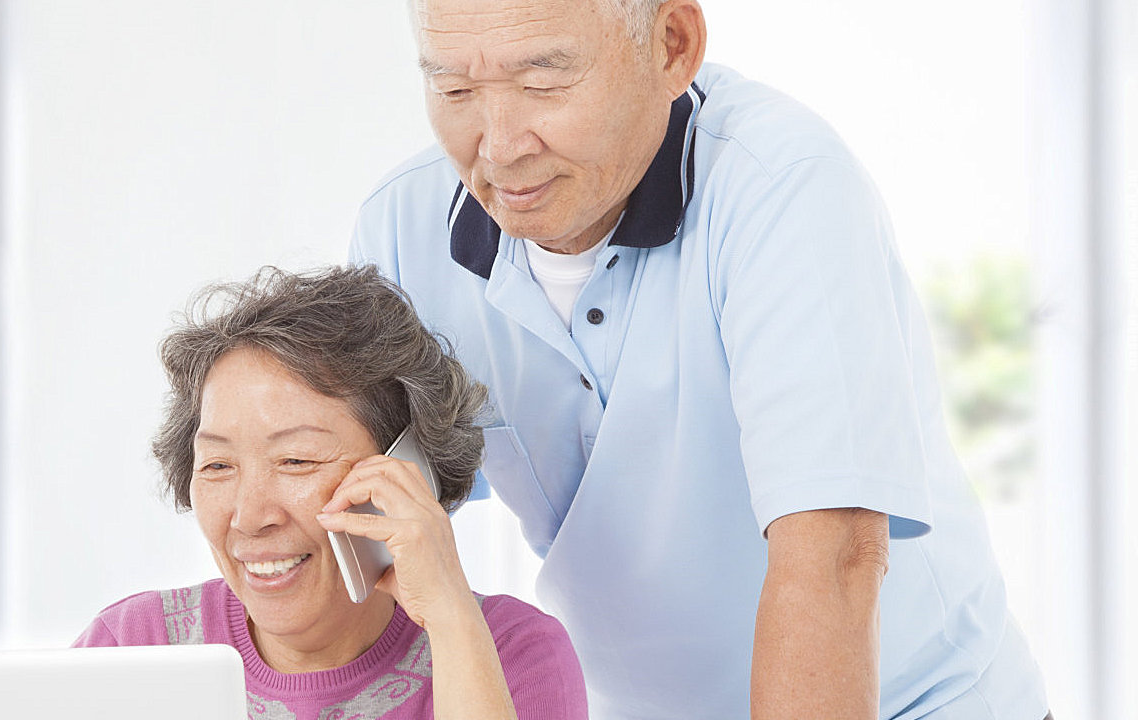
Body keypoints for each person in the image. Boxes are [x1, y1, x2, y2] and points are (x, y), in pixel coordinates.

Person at [349, 0, 1049, 718]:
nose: (497, 146)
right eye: (456, 89)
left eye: (543, 82)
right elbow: (368, 534)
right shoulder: (402, 228)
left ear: (671, 46)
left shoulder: (781, 188)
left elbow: (831, 558)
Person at [74, 266, 587, 719]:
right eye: (217, 464)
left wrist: (451, 620)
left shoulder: (512, 651)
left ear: (408, 469)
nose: (250, 518)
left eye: (296, 460)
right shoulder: (133, 647)